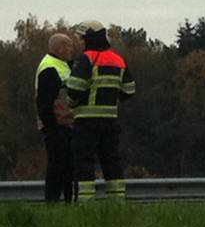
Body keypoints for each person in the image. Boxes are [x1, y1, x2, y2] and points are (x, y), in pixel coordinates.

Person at [66, 21, 135, 201]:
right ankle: (117, 201)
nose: (79, 42)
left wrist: (71, 103)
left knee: (84, 161)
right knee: (112, 161)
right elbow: (129, 91)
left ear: (88, 38)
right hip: (110, 121)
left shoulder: (87, 58)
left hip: (86, 121)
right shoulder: (118, 59)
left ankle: (86, 203)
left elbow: (74, 87)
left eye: (81, 38)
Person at [35, 33, 75, 202]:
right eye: (68, 46)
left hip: (66, 125)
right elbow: (44, 103)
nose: (71, 50)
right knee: (56, 167)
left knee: (68, 168)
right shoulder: (49, 68)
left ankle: (67, 201)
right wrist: (51, 129)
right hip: (57, 127)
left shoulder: (63, 65)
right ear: (59, 48)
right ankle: (52, 202)